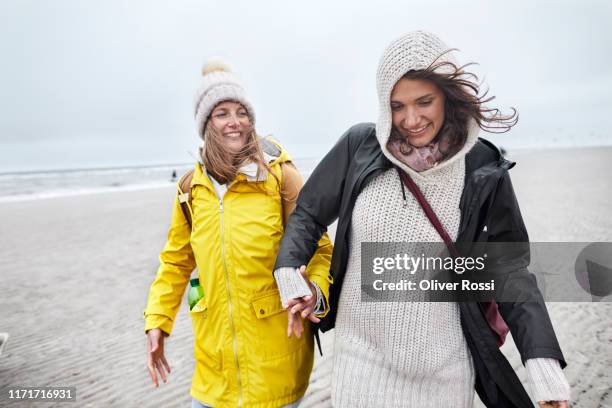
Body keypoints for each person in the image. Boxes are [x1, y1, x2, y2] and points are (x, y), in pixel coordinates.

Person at [273, 31, 570, 407]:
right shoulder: (360, 148)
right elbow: (308, 215)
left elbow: (510, 272)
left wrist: (543, 367)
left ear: (448, 95)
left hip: (446, 375)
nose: (410, 119)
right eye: (397, 106)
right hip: (360, 368)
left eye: (424, 102)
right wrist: (289, 271)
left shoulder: (481, 167)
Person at [143, 58, 333, 408]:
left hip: (275, 366)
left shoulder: (280, 177)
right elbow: (175, 263)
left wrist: (313, 290)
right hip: (213, 369)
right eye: (222, 113)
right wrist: (157, 321)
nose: (235, 122)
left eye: (241, 112)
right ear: (206, 124)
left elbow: (320, 249)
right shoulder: (190, 188)